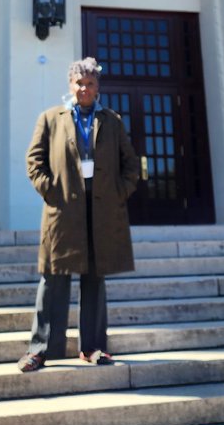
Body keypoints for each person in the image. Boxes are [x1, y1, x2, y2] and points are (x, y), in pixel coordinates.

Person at [17, 57, 139, 372]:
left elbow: (130, 165)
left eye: (90, 84)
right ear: (70, 85)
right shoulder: (50, 118)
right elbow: (34, 161)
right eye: (79, 83)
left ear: (98, 88)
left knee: (94, 280)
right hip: (63, 209)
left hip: (101, 210)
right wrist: (51, 190)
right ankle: (41, 349)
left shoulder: (112, 121)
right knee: (53, 279)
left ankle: (94, 347)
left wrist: (119, 192)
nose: (84, 89)